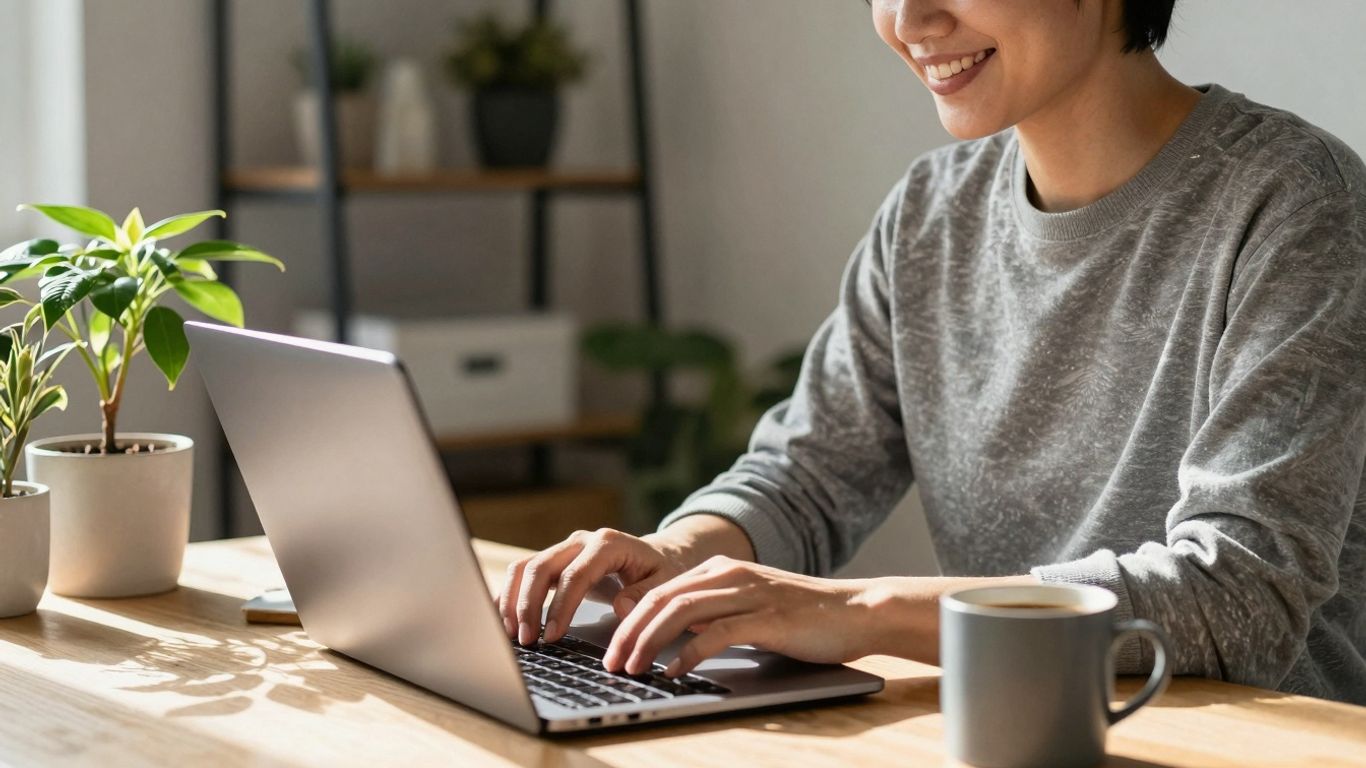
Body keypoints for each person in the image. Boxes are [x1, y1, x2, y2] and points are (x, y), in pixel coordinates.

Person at [498, 0, 1366, 704]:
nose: (910, 20)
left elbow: (1241, 593)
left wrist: (862, 610)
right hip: (1015, 723)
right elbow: (809, 477)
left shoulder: (1297, 206)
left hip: (1249, 739)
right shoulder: (929, 214)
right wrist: (682, 552)